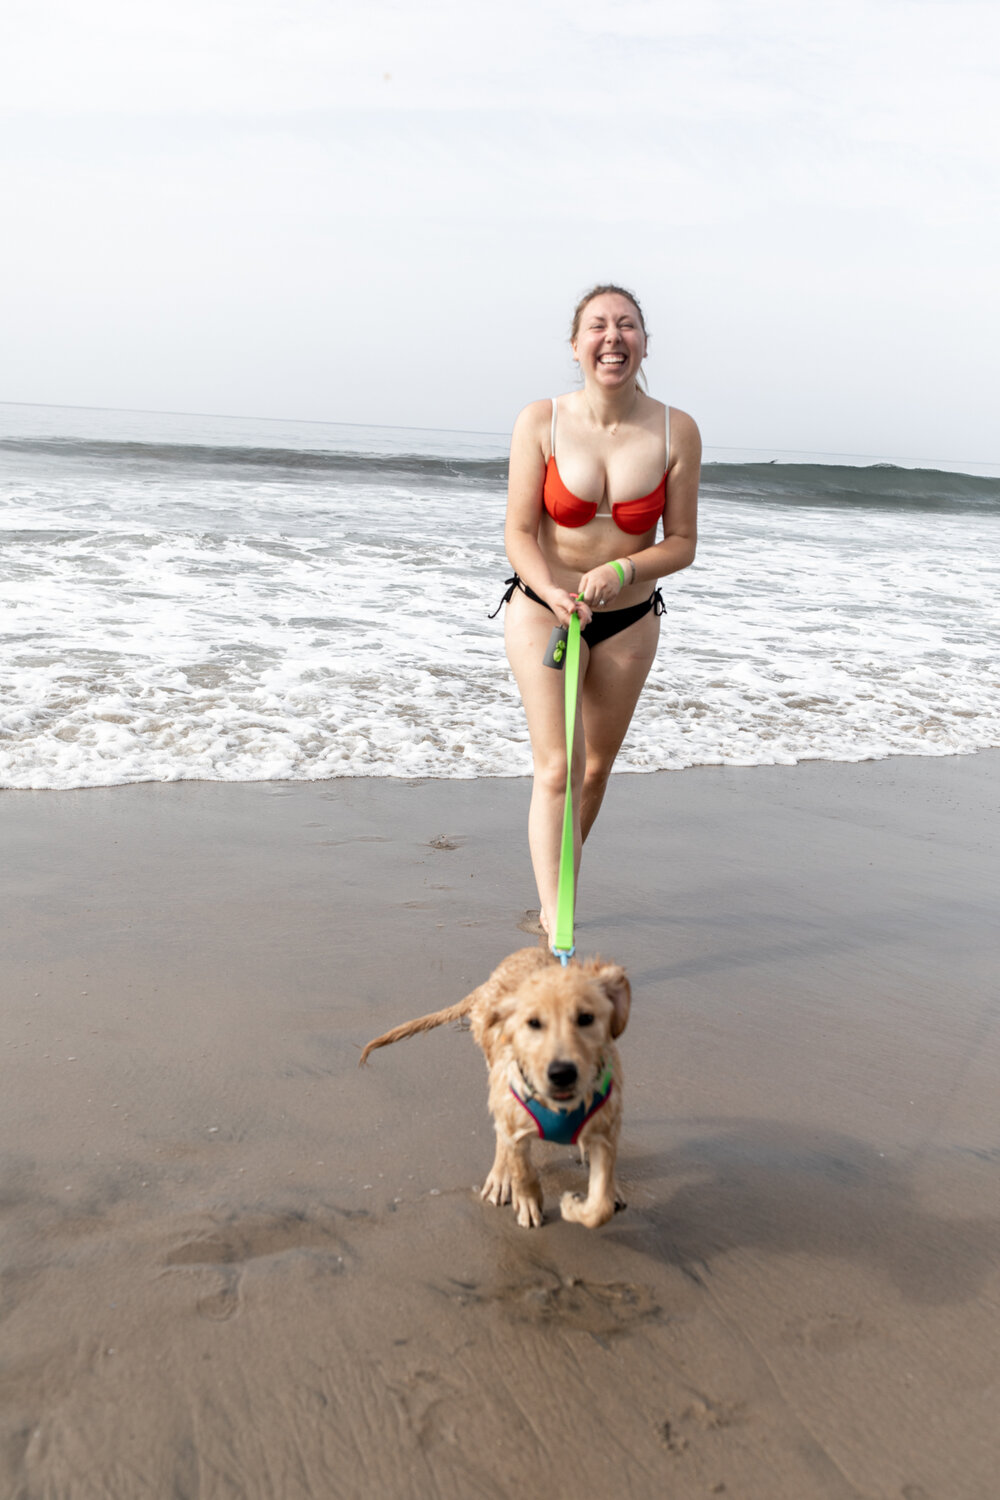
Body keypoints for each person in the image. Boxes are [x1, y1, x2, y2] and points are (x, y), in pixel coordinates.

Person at [495, 283, 700, 939]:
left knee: (592, 771)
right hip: (543, 609)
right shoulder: (540, 421)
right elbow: (519, 534)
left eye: (628, 325)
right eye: (598, 325)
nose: (613, 337)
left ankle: (558, 889)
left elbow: (683, 543)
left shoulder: (677, 430)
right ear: (577, 344)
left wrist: (622, 569)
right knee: (555, 765)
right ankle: (560, 928)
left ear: (643, 343)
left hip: (629, 620)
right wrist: (555, 591)